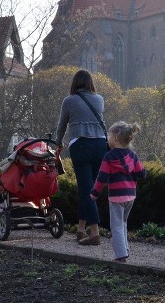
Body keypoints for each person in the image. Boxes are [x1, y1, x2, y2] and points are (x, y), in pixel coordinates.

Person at [55, 69, 108, 245]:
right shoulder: (99, 99)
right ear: (90, 83)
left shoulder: (69, 101)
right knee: (90, 189)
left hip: (81, 145)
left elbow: (62, 125)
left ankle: (94, 234)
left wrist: (58, 143)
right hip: (100, 145)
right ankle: (80, 229)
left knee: (86, 190)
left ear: (74, 83)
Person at [90, 121, 146, 262]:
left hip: (116, 197)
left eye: (108, 136)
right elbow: (141, 173)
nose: (107, 139)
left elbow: (101, 178)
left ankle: (121, 255)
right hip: (130, 196)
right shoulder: (133, 156)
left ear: (115, 138)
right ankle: (125, 248)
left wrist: (94, 193)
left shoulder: (109, 157)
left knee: (116, 226)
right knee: (123, 223)